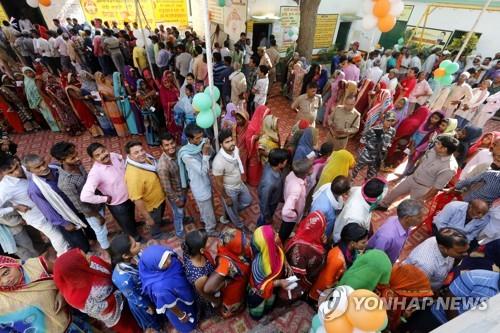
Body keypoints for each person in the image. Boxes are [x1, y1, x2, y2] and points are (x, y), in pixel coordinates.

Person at [54, 248, 141, 332]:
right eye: (84, 258)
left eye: (85, 254)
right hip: (117, 315)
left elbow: (108, 269)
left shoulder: (90, 263)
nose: (89, 256)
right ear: (76, 268)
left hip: (123, 297)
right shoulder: (79, 298)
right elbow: (102, 309)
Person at [0, 255, 93, 332]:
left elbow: (64, 273)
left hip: (73, 314)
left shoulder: (35, 265)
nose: (6, 280)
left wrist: (62, 293)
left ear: (13, 263)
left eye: (6, 272)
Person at [0, 156, 70, 256]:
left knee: (63, 230)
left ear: (17, 161)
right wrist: (15, 208)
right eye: (10, 172)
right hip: (36, 216)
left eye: (16, 167)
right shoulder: (4, 188)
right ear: (3, 174)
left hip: (51, 207)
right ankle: (64, 257)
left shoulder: (28, 168)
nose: (16, 172)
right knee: (57, 236)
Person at [23, 154, 91, 253]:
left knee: (92, 233)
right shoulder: (34, 189)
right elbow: (47, 210)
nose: (44, 167)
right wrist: (64, 223)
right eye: (38, 167)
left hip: (79, 207)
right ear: (30, 171)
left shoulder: (56, 167)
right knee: (81, 247)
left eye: (43, 163)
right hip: (66, 218)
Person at [50, 142, 109, 250]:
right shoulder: (65, 183)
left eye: (77, 154)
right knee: (100, 230)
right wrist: (97, 216)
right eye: (73, 158)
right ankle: (108, 249)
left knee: (102, 228)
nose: (78, 158)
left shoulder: (77, 164)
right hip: (91, 211)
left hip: (98, 201)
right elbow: (80, 205)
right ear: (61, 160)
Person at [376, 135, 459, 210]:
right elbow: (422, 160)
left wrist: (424, 198)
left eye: (438, 143)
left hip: (422, 188)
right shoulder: (433, 150)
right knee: (395, 192)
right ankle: (383, 205)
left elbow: (436, 188)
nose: (435, 144)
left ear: (444, 149)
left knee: (412, 207)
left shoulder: (449, 168)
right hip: (412, 178)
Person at [81, 142, 140, 240]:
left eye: (103, 151)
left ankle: (134, 225)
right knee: (126, 224)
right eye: (98, 155)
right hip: (118, 205)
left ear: (106, 148)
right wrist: (104, 199)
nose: (103, 155)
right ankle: (136, 238)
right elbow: (84, 196)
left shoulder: (113, 156)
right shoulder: (95, 173)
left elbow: (122, 159)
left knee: (131, 217)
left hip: (130, 196)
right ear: (93, 159)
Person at [109, 234, 163, 332]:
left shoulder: (136, 254)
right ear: (125, 255)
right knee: (153, 320)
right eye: (134, 245)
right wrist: (149, 306)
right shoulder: (122, 279)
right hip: (143, 302)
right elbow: (136, 298)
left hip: (149, 291)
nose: (138, 244)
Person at [139, 245, 198, 332]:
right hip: (178, 306)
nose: (170, 261)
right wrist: (181, 315)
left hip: (184, 292)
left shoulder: (168, 260)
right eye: (164, 263)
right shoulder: (160, 288)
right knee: (187, 323)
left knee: (193, 310)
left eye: (168, 257)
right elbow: (170, 304)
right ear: (154, 266)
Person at [178, 124, 217, 235]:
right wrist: (205, 154)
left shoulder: (200, 143)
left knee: (207, 208)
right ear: (189, 139)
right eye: (197, 138)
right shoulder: (186, 155)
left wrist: (208, 147)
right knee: (206, 208)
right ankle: (210, 230)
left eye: (201, 136)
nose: (201, 140)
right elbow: (203, 171)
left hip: (206, 182)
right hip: (199, 186)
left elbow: (211, 154)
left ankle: (205, 219)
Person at [204, 228, 252, 318]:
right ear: (235, 247)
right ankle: (231, 311)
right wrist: (225, 283)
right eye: (242, 243)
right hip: (234, 292)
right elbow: (207, 288)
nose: (247, 243)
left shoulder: (225, 243)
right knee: (234, 305)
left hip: (240, 283)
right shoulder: (226, 264)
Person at [247, 225, 292, 320]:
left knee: (269, 302)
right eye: (274, 234)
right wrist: (280, 282)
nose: (277, 235)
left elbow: (279, 248)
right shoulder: (260, 265)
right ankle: (257, 317)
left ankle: (268, 309)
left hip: (271, 289)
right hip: (260, 294)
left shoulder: (270, 247)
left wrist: (286, 262)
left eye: (274, 232)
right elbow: (261, 286)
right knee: (259, 309)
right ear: (267, 243)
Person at [124, 141, 166, 240]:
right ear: (129, 155)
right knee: (153, 221)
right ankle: (157, 234)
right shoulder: (133, 175)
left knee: (158, 217)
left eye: (141, 150)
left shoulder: (145, 159)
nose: (141, 153)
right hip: (152, 207)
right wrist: (148, 218)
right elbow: (137, 199)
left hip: (159, 200)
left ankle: (159, 222)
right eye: (136, 152)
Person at [404, 228, 469, 289]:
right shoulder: (426, 266)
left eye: (466, 250)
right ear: (443, 248)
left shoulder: (442, 242)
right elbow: (418, 287)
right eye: (460, 252)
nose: (466, 254)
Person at [213, 129, 252, 230]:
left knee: (248, 200)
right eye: (227, 142)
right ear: (221, 145)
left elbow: (238, 164)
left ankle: (230, 211)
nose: (231, 143)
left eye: (231, 140)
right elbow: (218, 183)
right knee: (232, 209)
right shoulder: (218, 161)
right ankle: (239, 225)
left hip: (240, 184)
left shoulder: (235, 150)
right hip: (230, 190)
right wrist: (226, 198)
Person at [284, 211, 327, 300]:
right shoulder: (303, 250)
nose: (324, 233)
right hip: (294, 279)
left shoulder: (304, 231)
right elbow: (295, 276)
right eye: (323, 229)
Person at [158, 133, 188, 238]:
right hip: (176, 194)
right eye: (166, 145)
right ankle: (180, 233)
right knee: (178, 214)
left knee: (183, 208)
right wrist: (176, 200)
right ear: (161, 147)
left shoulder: (179, 150)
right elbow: (167, 188)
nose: (171, 147)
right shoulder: (163, 166)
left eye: (172, 143)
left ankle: (184, 218)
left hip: (183, 189)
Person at [182, 230, 218, 319]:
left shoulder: (188, 250)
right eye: (207, 243)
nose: (209, 243)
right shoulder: (201, 277)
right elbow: (204, 294)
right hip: (205, 293)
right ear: (202, 250)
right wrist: (216, 300)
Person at [352, 111, 397, 180]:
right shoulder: (374, 129)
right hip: (367, 153)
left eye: (392, 121)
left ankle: (365, 187)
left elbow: (390, 141)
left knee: (370, 177)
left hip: (377, 157)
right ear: (384, 119)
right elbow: (363, 140)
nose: (389, 123)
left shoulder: (392, 131)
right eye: (388, 120)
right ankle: (350, 182)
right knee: (355, 170)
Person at [280, 158, 313, 242]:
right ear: (305, 172)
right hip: (290, 217)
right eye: (311, 167)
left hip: (292, 207)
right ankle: (281, 242)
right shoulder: (296, 189)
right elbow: (286, 211)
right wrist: (295, 214)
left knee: (286, 228)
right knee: (285, 231)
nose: (313, 168)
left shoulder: (293, 174)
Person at [257, 148, 289, 227]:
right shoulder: (269, 183)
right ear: (279, 164)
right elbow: (264, 203)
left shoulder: (271, 165)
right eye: (285, 161)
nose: (286, 161)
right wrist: (267, 216)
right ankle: (260, 227)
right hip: (270, 203)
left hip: (274, 198)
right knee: (263, 219)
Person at [22, 67, 60, 132]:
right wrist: (36, 103)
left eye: (30, 72)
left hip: (46, 97)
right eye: (26, 73)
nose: (29, 74)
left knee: (53, 111)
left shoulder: (38, 78)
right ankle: (56, 128)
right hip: (40, 101)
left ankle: (60, 126)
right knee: (48, 114)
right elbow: (29, 95)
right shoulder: (28, 82)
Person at [95, 72, 129, 137]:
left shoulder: (107, 82)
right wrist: (120, 97)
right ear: (98, 79)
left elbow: (115, 87)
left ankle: (126, 130)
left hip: (116, 101)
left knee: (122, 116)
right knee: (117, 119)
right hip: (111, 105)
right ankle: (122, 133)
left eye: (103, 76)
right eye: (101, 77)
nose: (103, 78)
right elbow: (109, 99)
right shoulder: (101, 88)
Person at [244, 105, 271, 186]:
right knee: (254, 167)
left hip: (262, 149)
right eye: (266, 115)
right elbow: (248, 139)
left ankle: (259, 180)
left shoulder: (266, 124)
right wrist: (256, 137)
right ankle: (253, 182)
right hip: (254, 152)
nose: (267, 117)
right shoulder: (252, 126)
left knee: (260, 167)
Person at [136, 78, 161, 146]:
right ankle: (151, 141)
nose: (144, 85)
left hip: (152, 108)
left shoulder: (147, 90)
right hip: (146, 111)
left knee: (155, 124)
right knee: (149, 126)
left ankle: (157, 139)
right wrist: (150, 94)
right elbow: (142, 98)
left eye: (144, 83)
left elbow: (154, 97)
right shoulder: (138, 92)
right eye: (142, 84)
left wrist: (154, 96)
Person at [159, 70, 181, 142]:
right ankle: (173, 141)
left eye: (168, 82)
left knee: (179, 125)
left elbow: (179, 95)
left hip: (177, 110)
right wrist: (175, 103)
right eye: (165, 83)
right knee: (172, 127)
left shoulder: (173, 87)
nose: (167, 84)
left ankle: (179, 139)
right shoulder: (162, 91)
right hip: (169, 113)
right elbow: (164, 104)